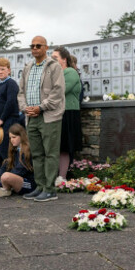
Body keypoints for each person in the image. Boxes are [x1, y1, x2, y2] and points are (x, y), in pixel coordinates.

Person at [17, 36, 65, 202]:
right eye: (32, 46)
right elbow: (21, 92)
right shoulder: (27, 67)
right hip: (31, 117)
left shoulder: (54, 66)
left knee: (50, 153)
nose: (35, 48)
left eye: (38, 46)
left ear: (46, 48)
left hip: (48, 116)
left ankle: (50, 190)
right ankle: (40, 186)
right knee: (36, 154)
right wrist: (25, 108)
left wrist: (41, 107)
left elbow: (58, 92)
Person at [51, 47, 82, 183]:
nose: (52, 60)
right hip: (56, 113)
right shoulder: (55, 73)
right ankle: (55, 176)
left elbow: (59, 91)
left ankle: (62, 178)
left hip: (68, 114)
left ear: (64, 59)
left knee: (63, 147)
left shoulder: (70, 72)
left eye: (55, 58)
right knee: (56, 147)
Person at [0, 124, 36, 197]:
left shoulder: (27, 150)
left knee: (6, 176)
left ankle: (5, 189)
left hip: (28, 183)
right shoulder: (15, 149)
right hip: (15, 176)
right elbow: (4, 167)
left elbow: (19, 171)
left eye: (14, 137)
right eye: (10, 138)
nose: (11, 140)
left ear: (21, 136)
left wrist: (1, 180)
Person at [0, 57, 19, 155]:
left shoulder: (11, 84)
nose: (0, 72)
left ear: (9, 70)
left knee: (7, 148)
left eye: (3, 69)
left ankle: (10, 169)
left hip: (9, 120)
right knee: (0, 149)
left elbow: (10, 103)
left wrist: (1, 119)